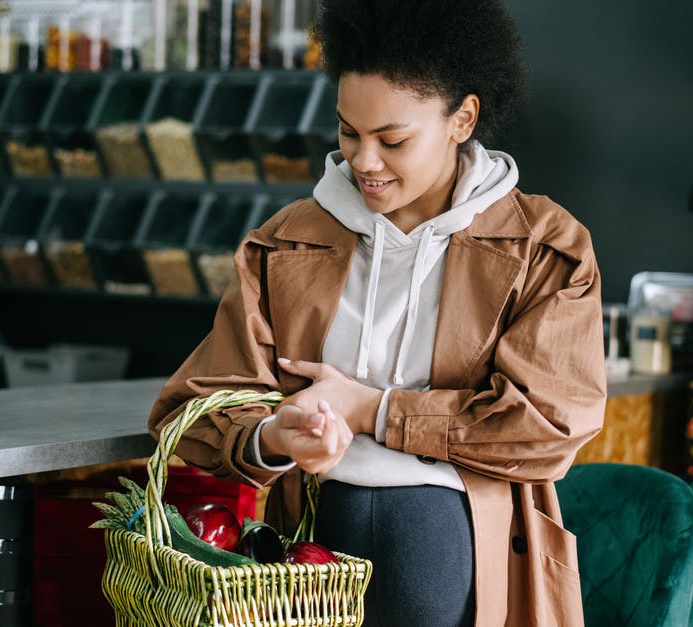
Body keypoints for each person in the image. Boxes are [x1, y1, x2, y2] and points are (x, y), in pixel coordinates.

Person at [147, 1, 607, 624]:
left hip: (453, 552)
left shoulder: (543, 248)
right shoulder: (285, 242)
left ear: (462, 118)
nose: (364, 161)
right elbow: (198, 404)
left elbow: (548, 423)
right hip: (303, 555)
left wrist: (374, 410)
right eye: (347, 133)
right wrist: (270, 437)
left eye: (392, 140)